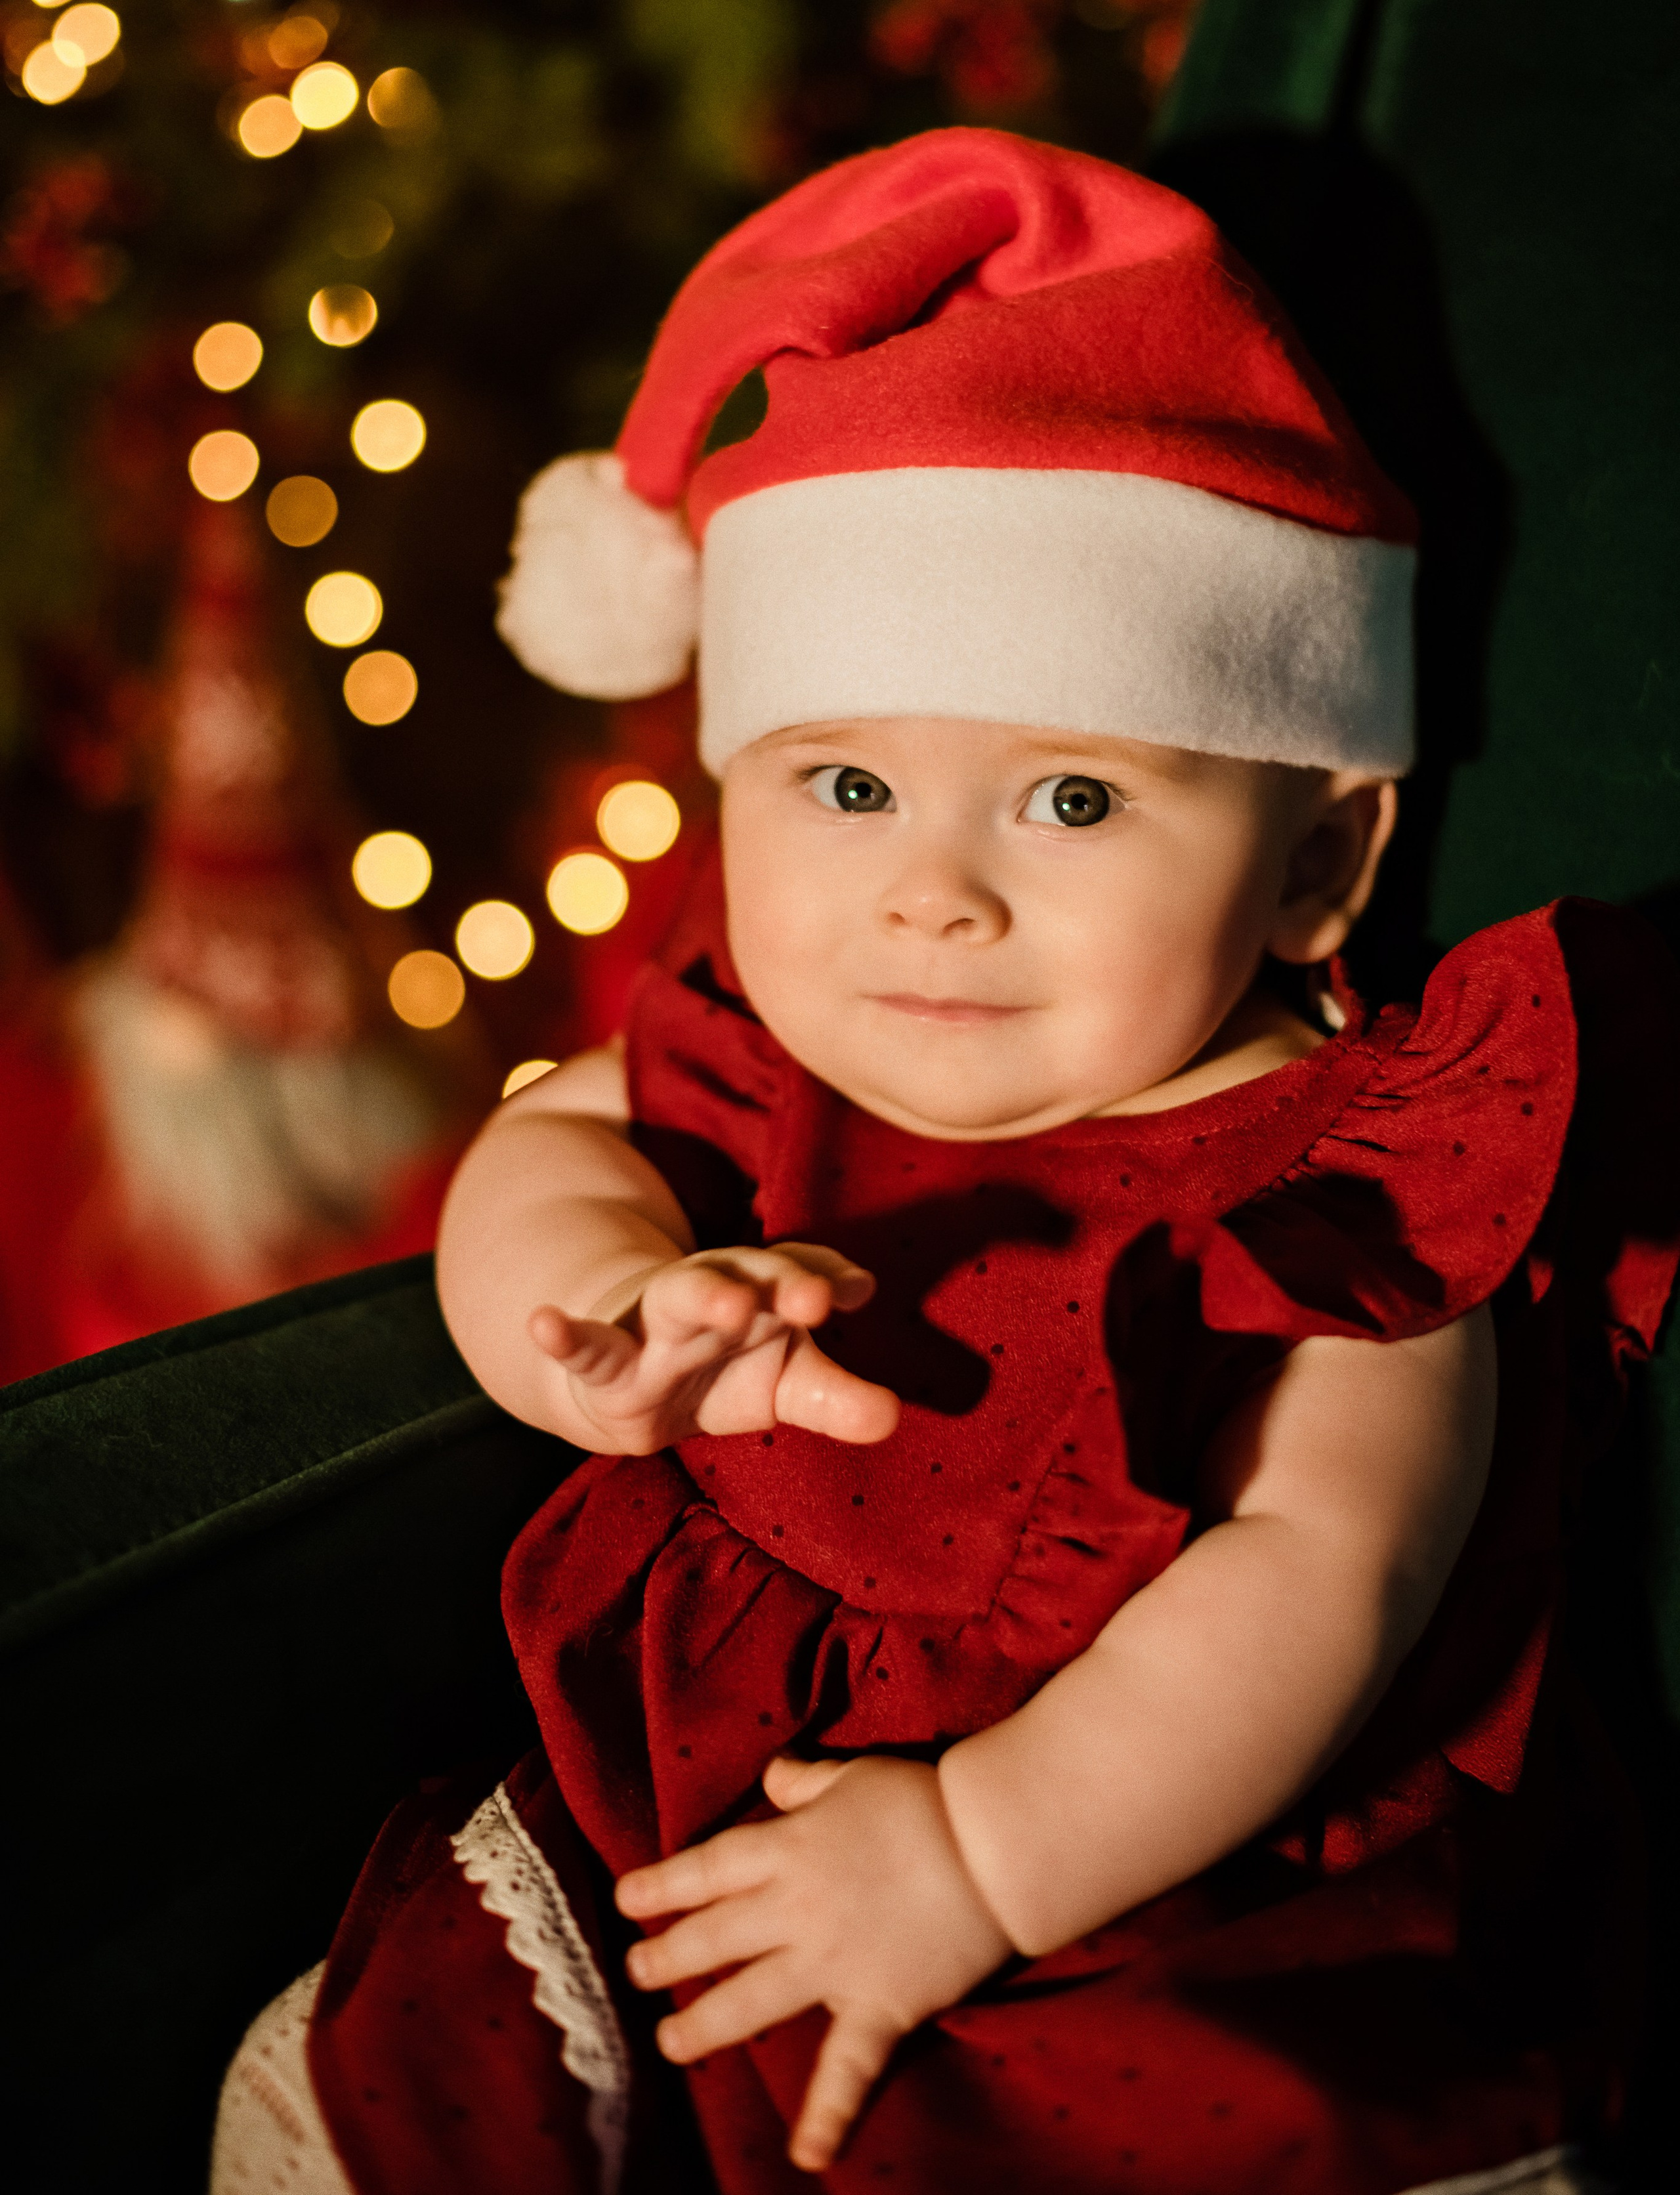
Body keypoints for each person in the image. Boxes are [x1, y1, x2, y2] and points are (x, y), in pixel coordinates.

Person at [213, 129, 1680, 2195]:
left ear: (1321, 861)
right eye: (847, 782)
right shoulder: (748, 1050)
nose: (935, 899)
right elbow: (535, 1170)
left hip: (1131, 1882)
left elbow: (1325, 1579)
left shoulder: (1354, 1191)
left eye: (1073, 800)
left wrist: (985, 1853)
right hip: (692, 1805)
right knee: (383, 2083)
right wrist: (609, 1318)